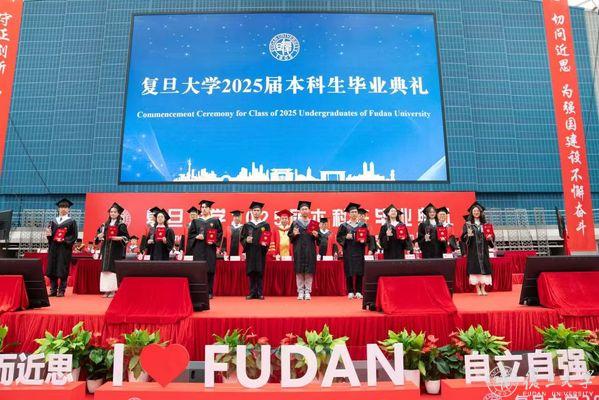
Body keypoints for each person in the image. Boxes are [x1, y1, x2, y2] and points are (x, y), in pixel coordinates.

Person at [188, 200, 223, 298]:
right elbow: (191, 235)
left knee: (210, 270)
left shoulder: (215, 221)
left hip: (210, 249)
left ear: (210, 209)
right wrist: (196, 237)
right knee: (199, 270)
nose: (203, 209)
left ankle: (209, 292)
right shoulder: (196, 221)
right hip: (199, 249)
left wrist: (214, 241)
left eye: (205, 207)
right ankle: (199, 292)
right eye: (202, 207)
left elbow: (219, 233)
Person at [45, 198, 78, 297]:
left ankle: (62, 290)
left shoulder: (72, 221)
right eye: (61, 207)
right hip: (54, 248)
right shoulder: (53, 221)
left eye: (65, 207)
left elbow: (74, 236)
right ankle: (53, 289)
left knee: (62, 268)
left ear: (68, 209)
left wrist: (64, 240)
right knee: (52, 268)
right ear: (58, 209)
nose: (63, 209)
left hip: (64, 248)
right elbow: (50, 236)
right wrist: (48, 234)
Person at [95, 203, 129, 298]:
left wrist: (118, 238)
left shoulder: (121, 225)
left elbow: (126, 238)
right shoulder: (104, 225)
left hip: (115, 250)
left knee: (112, 270)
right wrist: (99, 236)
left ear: (118, 214)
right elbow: (98, 237)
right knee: (105, 270)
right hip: (106, 249)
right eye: (111, 212)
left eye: (115, 212)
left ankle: (113, 291)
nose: (112, 213)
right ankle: (106, 290)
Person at [461, 202, 495, 296]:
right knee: (475, 269)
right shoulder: (468, 224)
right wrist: (468, 235)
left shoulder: (486, 224)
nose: (476, 212)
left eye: (477, 211)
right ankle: (477, 288)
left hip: (484, 250)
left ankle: (483, 288)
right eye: (474, 211)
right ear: (471, 213)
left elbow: (492, 236)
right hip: (473, 251)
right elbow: (463, 238)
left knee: (484, 268)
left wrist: (490, 238)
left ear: (480, 212)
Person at [288, 201, 319, 300]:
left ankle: (308, 292)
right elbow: (290, 237)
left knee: (309, 271)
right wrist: (294, 234)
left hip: (310, 250)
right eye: (302, 209)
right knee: (299, 271)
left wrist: (316, 236)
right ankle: (300, 291)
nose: (304, 211)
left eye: (306, 209)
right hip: (299, 250)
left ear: (309, 211)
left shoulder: (314, 224)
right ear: (300, 211)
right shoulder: (295, 223)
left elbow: (319, 239)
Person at [337, 203, 368, 299]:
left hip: (359, 250)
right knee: (349, 270)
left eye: (355, 212)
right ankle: (350, 291)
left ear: (358, 213)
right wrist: (345, 237)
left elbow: (367, 237)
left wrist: (364, 241)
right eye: (352, 212)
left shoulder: (362, 225)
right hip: (348, 251)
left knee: (359, 271)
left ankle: (358, 291)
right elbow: (339, 238)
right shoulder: (344, 225)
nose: (354, 213)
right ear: (349, 214)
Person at [240, 201, 270, 300]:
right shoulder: (247, 225)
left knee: (260, 272)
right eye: (254, 210)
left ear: (261, 212)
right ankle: (252, 292)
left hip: (261, 251)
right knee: (251, 272)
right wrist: (246, 241)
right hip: (251, 251)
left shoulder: (265, 225)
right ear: (252, 212)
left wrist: (266, 244)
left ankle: (260, 293)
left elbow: (268, 238)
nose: (256, 212)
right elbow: (242, 238)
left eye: (258, 210)